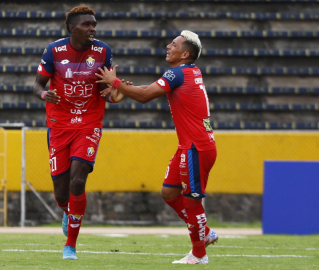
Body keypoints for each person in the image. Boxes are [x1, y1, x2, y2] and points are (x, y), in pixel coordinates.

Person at [95, 30, 218, 265]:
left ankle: (199, 254)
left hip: (195, 148)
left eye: (174, 44)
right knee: (169, 192)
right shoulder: (188, 71)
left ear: (185, 53)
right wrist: (124, 90)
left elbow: (144, 95)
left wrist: (116, 82)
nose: (168, 46)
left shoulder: (177, 72)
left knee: (192, 200)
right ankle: (205, 232)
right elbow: (146, 90)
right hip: (190, 146)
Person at [33, 5, 124, 260]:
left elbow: (110, 86)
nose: (92, 28)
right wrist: (44, 94)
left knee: (78, 180)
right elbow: (37, 84)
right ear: (72, 29)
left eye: (94, 24)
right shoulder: (54, 51)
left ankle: (70, 246)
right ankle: (67, 210)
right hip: (59, 125)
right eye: (86, 25)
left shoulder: (103, 51)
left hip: (89, 122)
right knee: (62, 193)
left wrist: (113, 90)